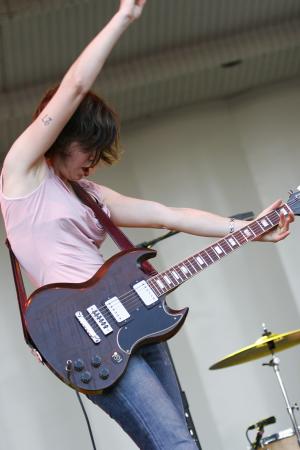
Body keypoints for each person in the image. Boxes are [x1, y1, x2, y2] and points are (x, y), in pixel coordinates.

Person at [0, 1, 294, 449]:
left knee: (178, 442)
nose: (94, 163)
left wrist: (252, 226)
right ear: (61, 137)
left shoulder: (92, 197)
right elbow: (77, 85)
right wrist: (125, 17)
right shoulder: (24, 173)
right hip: (85, 336)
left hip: (132, 316)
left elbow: (167, 214)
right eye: (89, 152)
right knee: (176, 444)